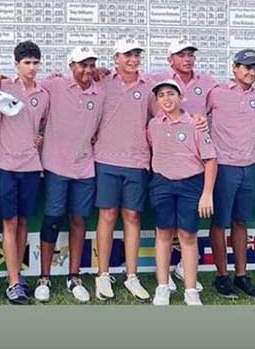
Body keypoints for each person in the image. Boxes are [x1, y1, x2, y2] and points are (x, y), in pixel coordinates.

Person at [32, 46, 104, 304]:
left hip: (85, 167)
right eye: (81, 65)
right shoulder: (54, 85)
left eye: (90, 65)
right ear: (71, 65)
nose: (86, 70)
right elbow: (26, 85)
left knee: (79, 221)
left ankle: (74, 276)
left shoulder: (100, 91)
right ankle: (44, 277)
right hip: (55, 165)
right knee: (52, 219)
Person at [93, 38, 155, 302]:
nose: (133, 59)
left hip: (138, 160)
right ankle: (103, 275)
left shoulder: (150, 87)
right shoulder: (102, 82)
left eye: (136, 55)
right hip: (106, 158)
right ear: (116, 58)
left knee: (132, 217)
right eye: (127, 55)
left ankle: (131, 276)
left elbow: (160, 118)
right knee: (107, 215)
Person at [152, 39, 216, 292]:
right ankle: (162, 286)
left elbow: (210, 159)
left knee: (188, 236)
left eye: (171, 93)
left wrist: (207, 193)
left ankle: (190, 289)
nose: (166, 98)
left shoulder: (196, 123)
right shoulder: (153, 125)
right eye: (161, 95)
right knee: (163, 233)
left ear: (181, 97)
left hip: (192, 183)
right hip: (161, 183)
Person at [205, 49, 255, 300]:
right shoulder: (217, 92)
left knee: (241, 222)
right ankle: (222, 277)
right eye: (246, 67)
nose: (251, 72)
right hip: (222, 167)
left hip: (248, 166)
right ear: (235, 68)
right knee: (219, 222)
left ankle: (241, 276)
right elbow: (194, 113)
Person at [0, 41, 49, 305]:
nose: (31, 67)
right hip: (5, 165)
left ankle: (17, 273)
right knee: (10, 223)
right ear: (16, 64)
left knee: (24, 222)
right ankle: (14, 281)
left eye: (35, 62)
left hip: (31, 167)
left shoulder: (44, 93)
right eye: (26, 62)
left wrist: (39, 136)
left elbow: (44, 124)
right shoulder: (2, 87)